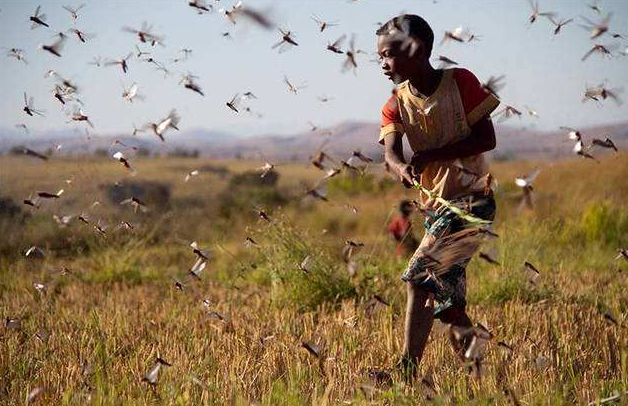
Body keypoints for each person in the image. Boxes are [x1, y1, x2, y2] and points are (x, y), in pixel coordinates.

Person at [376, 14, 499, 378]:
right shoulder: (395, 102)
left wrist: (430, 155)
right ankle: (480, 377)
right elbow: (390, 153)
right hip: (436, 208)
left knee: (419, 277)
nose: (383, 64)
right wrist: (401, 169)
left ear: (419, 50)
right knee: (445, 303)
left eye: (389, 54)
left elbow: (486, 138)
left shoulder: (460, 82)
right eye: (379, 57)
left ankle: (405, 370)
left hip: (472, 201)